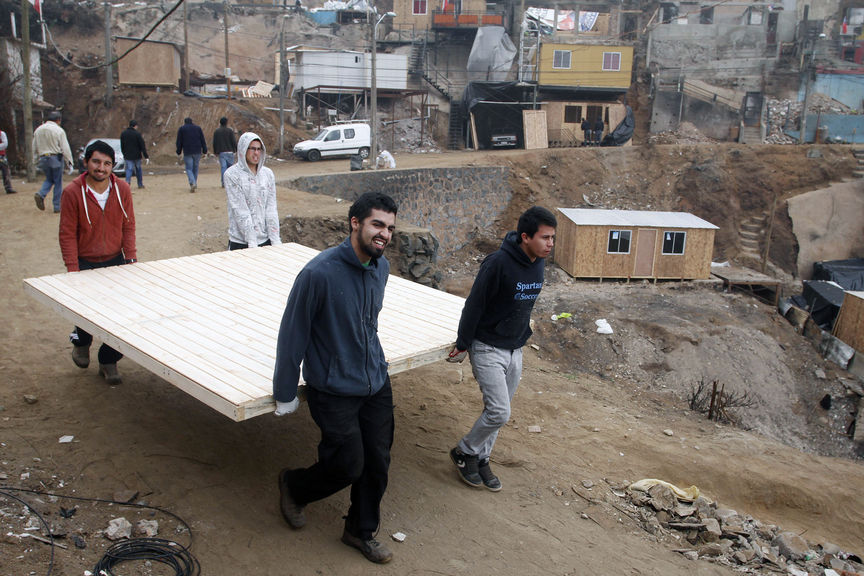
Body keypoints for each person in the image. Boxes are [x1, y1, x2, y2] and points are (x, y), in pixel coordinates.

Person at [272, 192, 398, 565]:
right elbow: (293, 333)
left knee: (378, 460)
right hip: (333, 387)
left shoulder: (381, 268)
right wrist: (284, 391)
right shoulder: (318, 273)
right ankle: (294, 486)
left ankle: (359, 531)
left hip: (375, 380)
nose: (384, 234)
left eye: (390, 227)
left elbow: (367, 323)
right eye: (377, 224)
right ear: (355, 223)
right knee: (347, 464)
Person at [447, 206, 557, 492]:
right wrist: (463, 343)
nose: (550, 244)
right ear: (525, 237)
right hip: (488, 347)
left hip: (515, 348)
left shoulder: (538, 263)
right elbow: (475, 304)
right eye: (545, 238)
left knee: (499, 411)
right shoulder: (497, 263)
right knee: (499, 412)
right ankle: (464, 451)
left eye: (552, 238)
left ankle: (482, 458)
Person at [59, 140, 136, 385]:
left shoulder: (122, 189)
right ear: (86, 162)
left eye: (107, 163)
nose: (101, 168)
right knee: (87, 312)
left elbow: (128, 224)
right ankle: (81, 343)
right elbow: (67, 232)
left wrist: (131, 258)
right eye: (96, 162)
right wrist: (73, 267)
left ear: (113, 166)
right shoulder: (73, 192)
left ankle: (108, 360)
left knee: (122, 315)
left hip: (115, 259)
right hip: (85, 261)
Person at [224, 132, 281, 250]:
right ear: (243, 149)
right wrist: (252, 244)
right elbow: (240, 211)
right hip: (241, 242)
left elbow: (271, 208)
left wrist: (276, 241)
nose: (256, 153)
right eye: (252, 149)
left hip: (265, 240)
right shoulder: (232, 175)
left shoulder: (267, 174)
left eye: (259, 149)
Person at [32, 111, 73, 212]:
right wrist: (69, 162)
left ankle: (41, 194)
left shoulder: (38, 130)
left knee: (49, 179)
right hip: (55, 158)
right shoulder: (59, 130)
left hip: (43, 158)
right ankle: (57, 206)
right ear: (58, 120)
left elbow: (34, 146)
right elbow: (65, 147)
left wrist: (35, 160)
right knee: (58, 182)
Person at [175, 117, 207, 193]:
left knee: (189, 168)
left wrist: (178, 151)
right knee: (195, 168)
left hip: (187, 151)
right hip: (197, 151)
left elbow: (179, 141)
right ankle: (194, 182)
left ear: (185, 122)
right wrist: (204, 149)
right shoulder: (198, 128)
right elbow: (202, 139)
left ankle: (192, 182)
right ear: (192, 122)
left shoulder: (182, 129)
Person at [120, 120, 149, 189]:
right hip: (137, 155)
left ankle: (127, 184)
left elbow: (122, 145)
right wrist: (146, 156)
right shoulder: (137, 134)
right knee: (138, 169)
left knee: (129, 170)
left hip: (127, 155)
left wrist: (124, 153)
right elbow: (142, 146)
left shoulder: (123, 134)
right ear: (135, 126)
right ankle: (140, 184)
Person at [212, 117, 237, 188]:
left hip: (221, 152)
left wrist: (215, 151)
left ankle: (224, 182)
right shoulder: (230, 131)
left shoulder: (217, 131)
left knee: (223, 167)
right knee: (230, 168)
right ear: (226, 123)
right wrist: (236, 149)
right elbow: (233, 141)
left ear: (220, 123)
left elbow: (215, 142)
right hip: (230, 151)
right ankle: (230, 181)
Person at [0, 128, 17, 194]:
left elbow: (5, 144)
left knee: (6, 171)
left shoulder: (2, 134)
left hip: (1, 156)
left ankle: (8, 188)